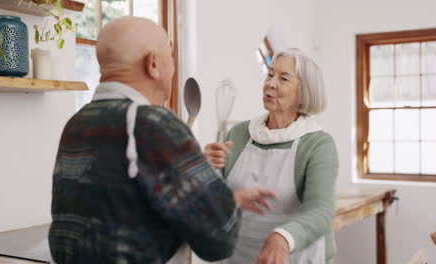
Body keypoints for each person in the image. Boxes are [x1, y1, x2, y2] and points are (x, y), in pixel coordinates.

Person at [48, 17, 277, 264]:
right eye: (170, 57)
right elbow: (218, 240)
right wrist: (223, 202)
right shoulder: (154, 124)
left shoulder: (76, 123)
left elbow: (124, 209)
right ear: (154, 64)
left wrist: (221, 198)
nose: (173, 67)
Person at [205, 48, 339, 264]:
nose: (271, 83)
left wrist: (282, 237)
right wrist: (205, 168)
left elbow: (321, 212)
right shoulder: (238, 134)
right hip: (240, 256)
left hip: (296, 257)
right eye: (270, 74)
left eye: (283, 78)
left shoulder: (318, 144)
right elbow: (213, 201)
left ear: (303, 93)